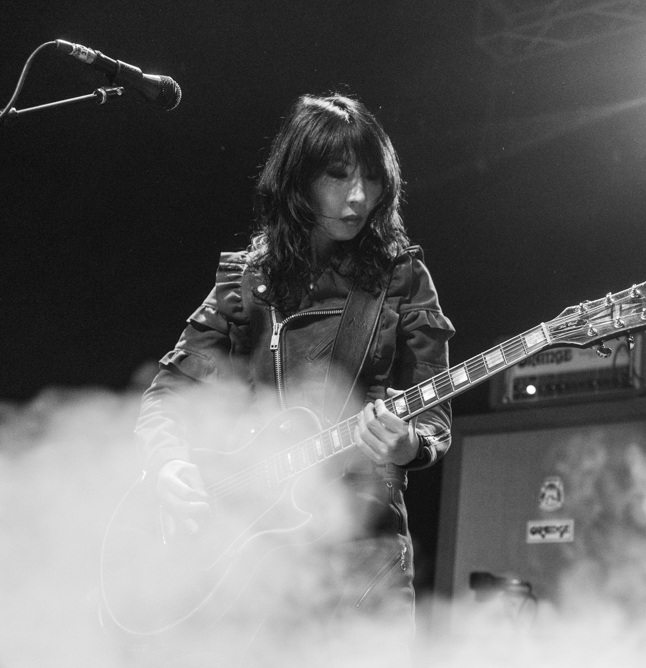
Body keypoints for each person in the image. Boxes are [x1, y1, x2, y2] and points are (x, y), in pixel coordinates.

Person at [132, 93, 454, 663]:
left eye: (372, 178)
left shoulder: (402, 278)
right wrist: (168, 464)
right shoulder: (246, 282)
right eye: (338, 175)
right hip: (257, 565)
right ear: (298, 181)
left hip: (364, 555)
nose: (359, 197)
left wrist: (411, 446)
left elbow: (433, 418)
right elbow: (168, 398)